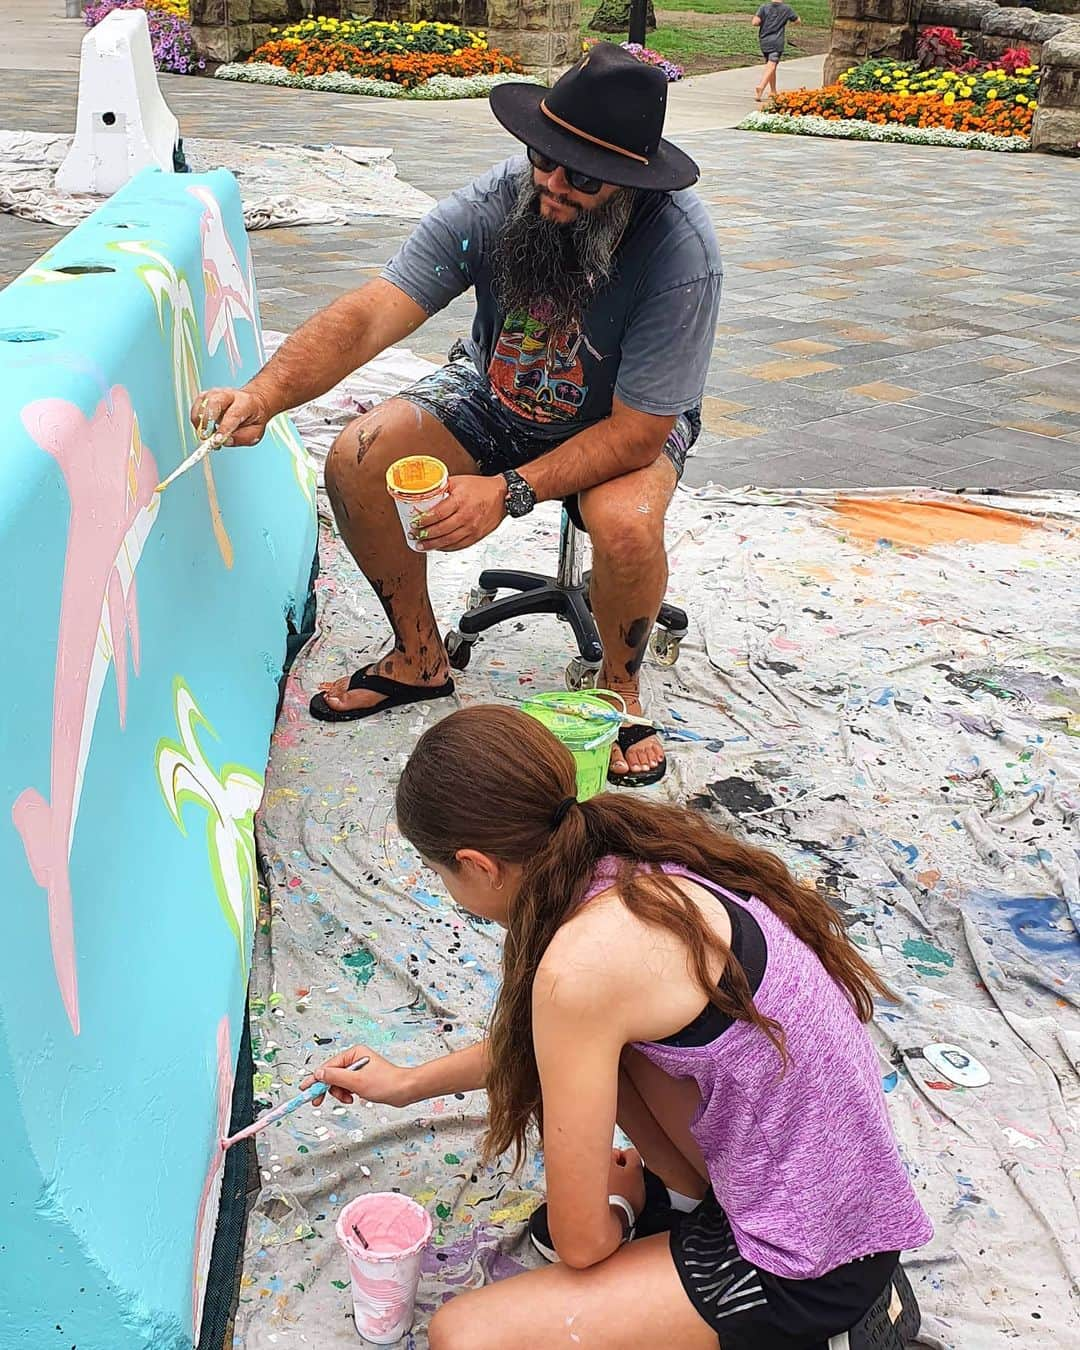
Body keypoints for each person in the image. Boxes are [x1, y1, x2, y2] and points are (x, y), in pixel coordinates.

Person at [304, 705, 933, 1350]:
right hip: (833, 1182)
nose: (450, 892)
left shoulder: (580, 967)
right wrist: (408, 1083)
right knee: (614, 1057)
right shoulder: (616, 855)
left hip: (810, 1259)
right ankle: (689, 1207)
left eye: (442, 876)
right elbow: (540, 1047)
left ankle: (790, 1320)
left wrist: (619, 1204)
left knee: (463, 1334)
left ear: (479, 864)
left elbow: (581, 1245)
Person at [190, 43, 722, 790]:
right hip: (495, 389)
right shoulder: (499, 197)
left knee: (628, 523)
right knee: (357, 455)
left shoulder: (680, 252)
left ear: (633, 183)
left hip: (621, 421)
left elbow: (639, 432)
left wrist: (508, 490)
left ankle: (619, 688)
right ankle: (417, 657)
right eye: (544, 157)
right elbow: (377, 310)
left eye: (584, 177)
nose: (553, 185)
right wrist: (264, 394)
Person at [753, 0, 800, 101]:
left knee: (770, 65)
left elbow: (755, 22)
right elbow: (797, 20)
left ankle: (773, 91)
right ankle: (761, 86)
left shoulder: (763, 7)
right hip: (777, 41)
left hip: (764, 40)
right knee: (772, 65)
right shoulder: (786, 9)